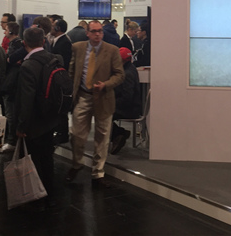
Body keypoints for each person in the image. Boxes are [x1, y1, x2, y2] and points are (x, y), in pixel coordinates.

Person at [66, 20, 124, 185]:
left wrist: (106, 84)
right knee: (77, 134)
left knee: (102, 137)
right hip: (83, 96)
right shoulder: (77, 48)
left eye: (100, 31)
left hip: (104, 97)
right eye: (94, 31)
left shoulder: (112, 50)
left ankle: (98, 172)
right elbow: (72, 71)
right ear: (87, 33)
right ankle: (77, 163)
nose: (97, 34)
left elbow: (120, 75)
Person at [14, 27, 60, 208]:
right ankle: (50, 194)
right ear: (43, 41)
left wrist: (21, 126)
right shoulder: (55, 59)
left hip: (34, 122)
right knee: (47, 158)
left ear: (24, 43)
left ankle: (36, 198)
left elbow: (26, 99)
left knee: (34, 160)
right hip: (51, 118)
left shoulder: (28, 66)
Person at [110, 47, 142, 155]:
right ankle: (118, 134)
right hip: (132, 106)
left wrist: (111, 103)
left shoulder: (126, 74)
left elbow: (127, 98)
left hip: (130, 109)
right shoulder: (131, 68)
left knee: (102, 113)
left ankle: (119, 134)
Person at [0, 22, 23, 153]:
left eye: (6, 29)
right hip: (12, 83)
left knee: (11, 114)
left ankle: (11, 140)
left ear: (11, 31)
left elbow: (12, 60)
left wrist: (9, 59)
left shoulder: (16, 45)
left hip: (12, 84)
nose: (4, 32)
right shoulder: (15, 44)